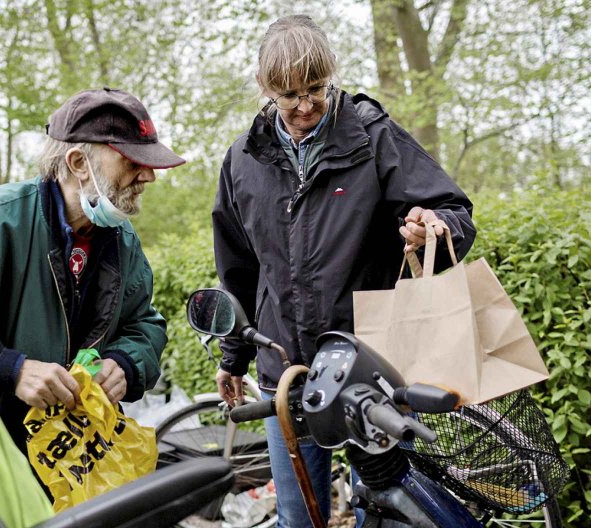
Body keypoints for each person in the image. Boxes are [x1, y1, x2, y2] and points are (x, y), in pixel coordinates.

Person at [211, 15, 477, 527]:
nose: (305, 104)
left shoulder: (373, 136)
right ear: (265, 89)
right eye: (289, 94)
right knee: (297, 518)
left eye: (315, 88)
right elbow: (238, 271)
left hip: (369, 370)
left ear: (331, 75)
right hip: (285, 374)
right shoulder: (241, 161)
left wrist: (431, 224)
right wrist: (235, 356)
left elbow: (453, 211)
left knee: (386, 513)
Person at [0, 88, 184, 452]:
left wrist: (125, 363)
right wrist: (8, 367)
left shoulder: (121, 238)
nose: (149, 177)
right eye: (132, 162)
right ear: (79, 163)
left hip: (67, 453)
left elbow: (144, 322)